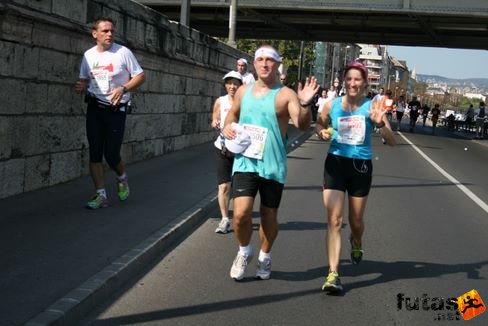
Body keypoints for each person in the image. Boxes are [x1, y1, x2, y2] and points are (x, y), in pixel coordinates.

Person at [222, 45, 319, 281]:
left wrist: (305, 104)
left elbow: (303, 125)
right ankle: (244, 251)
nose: (265, 64)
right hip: (245, 162)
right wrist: (226, 127)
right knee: (241, 214)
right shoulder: (244, 92)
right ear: (254, 64)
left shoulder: (286, 95)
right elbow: (232, 114)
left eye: (270, 60)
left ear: (277, 64)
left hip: (273, 165)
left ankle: (265, 255)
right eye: (260, 60)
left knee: (268, 215)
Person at [315, 61, 395, 294]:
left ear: (365, 82)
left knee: (356, 221)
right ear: (343, 81)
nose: (352, 83)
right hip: (336, 163)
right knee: (335, 220)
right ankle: (333, 274)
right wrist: (321, 131)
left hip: (361, 166)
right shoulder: (332, 105)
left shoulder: (373, 107)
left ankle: (356, 241)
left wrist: (380, 124)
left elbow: (391, 141)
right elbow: (319, 123)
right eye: (349, 79)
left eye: (357, 79)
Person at [74, 17, 145, 209]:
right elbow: (84, 79)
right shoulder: (88, 55)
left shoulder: (122, 52)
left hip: (116, 110)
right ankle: (101, 195)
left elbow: (140, 76)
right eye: (105, 31)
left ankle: (122, 177)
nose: (110, 34)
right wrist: (81, 85)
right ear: (95, 33)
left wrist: (123, 88)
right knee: (95, 153)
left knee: (111, 155)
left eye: (112, 31)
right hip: (95, 108)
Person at [211, 71, 243, 233]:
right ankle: (225, 219)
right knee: (223, 186)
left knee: (238, 187)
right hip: (222, 147)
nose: (232, 86)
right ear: (225, 85)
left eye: (235, 83)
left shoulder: (246, 103)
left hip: (241, 150)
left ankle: (240, 215)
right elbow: (213, 120)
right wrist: (216, 122)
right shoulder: (220, 101)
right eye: (229, 83)